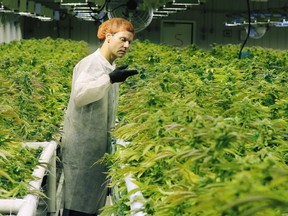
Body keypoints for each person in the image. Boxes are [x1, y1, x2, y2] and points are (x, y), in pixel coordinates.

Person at [61, 18, 138, 216]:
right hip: (83, 148)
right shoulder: (92, 64)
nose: (126, 45)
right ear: (108, 37)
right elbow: (80, 96)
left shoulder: (109, 67)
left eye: (129, 42)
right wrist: (110, 79)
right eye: (122, 39)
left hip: (95, 147)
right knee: (78, 204)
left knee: (91, 204)